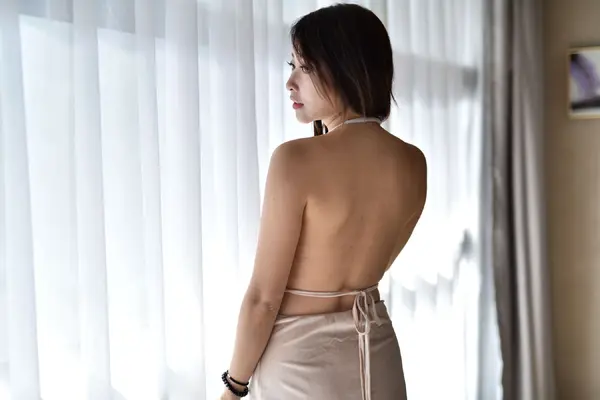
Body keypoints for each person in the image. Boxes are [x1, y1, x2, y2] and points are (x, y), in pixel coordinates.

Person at [219, 4, 427, 400]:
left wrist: (234, 386)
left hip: (301, 366)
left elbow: (263, 299)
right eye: (292, 66)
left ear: (347, 68)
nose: (290, 82)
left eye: (305, 67)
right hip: (378, 354)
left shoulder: (295, 160)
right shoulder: (413, 162)